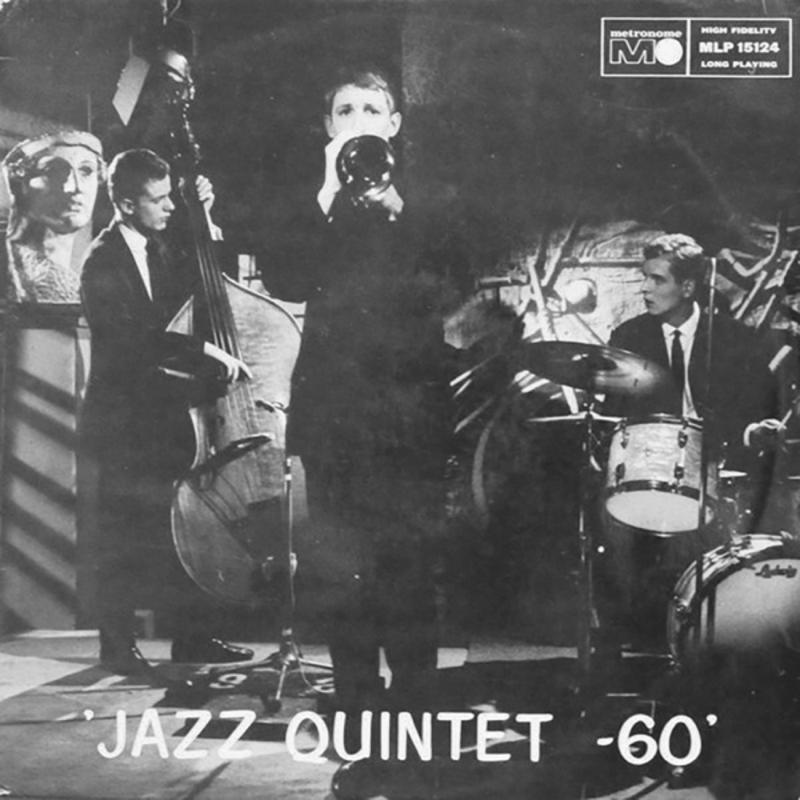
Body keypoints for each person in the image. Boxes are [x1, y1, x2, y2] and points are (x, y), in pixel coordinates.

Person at [261, 66, 470, 714]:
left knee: (411, 564)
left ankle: (415, 700)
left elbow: (451, 288)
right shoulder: (314, 207)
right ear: (328, 127)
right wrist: (326, 196)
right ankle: (354, 700)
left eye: (371, 110)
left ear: (394, 125)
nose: (358, 122)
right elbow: (286, 280)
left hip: (411, 415)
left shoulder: (427, 204)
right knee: (340, 565)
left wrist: (397, 209)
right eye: (345, 111)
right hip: (336, 415)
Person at [79, 148, 254, 674]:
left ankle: (194, 640)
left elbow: (200, 289)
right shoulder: (101, 260)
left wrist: (206, 217)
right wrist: (206, 352)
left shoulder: (158, 248)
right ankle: (116, 648)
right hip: (121, 423)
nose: (169, 207)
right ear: (126, 204)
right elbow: (135, 341)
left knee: (179, 530)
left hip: (161, 416)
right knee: (123, 537)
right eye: (158, 199)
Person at [599, 232, 780, 648]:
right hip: (646, 458)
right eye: (644, 277)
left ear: (687, 286)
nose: (645, 288)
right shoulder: (629, 336)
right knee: (611, 518)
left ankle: (691, 635)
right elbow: (615, 412)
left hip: (713, 460)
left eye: (657, 279)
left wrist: (754, 431)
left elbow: (750, 409)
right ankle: (626, 635)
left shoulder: (733, 339)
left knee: (700, 539)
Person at [2, 130, 104, 303]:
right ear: (19, 183)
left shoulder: (97, 269)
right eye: (53, 171)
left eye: (86, 171)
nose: (74, 187)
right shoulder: (8, 266)